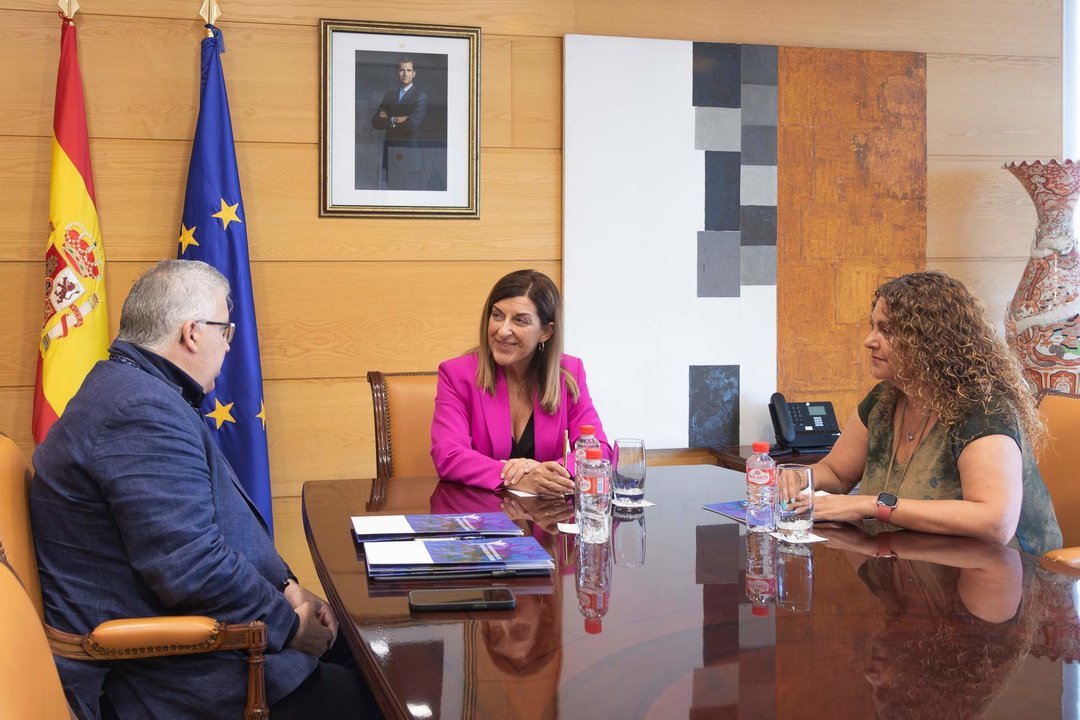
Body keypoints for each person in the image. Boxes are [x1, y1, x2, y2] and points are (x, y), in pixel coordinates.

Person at [30, 260, 379, 719]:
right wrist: (289, 627)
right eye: (226, 330)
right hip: (169, 673)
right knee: (389, 693)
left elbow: (223, 519)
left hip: (197, 636)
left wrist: (288, 588)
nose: (228, 345)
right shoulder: (140, 410)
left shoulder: (133, 386)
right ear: (193, 333)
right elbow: (190, 568)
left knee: (374, 649)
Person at [803, 271, 1061, 555]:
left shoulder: (983, 410)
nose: (869, 340)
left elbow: (995, 522)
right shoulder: (884, 400)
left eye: (886, 330)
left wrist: (872, 504)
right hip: (916, 567)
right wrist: (795, 479)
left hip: (1008, 577)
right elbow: (836, 473)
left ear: (931, 340)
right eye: (873, 326)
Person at [431, 269, 611, 496]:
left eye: (520, 320)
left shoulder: (568, 373)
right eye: (497, 315)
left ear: (546, 331)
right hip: (481, 515)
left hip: (547, 521)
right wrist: (520, 476)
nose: (503, 330)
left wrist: (550, 473)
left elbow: (600, 450)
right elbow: (448, 454)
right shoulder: (457, 374)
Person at [370, 58, 428, 140]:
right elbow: (375, 122)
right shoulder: (389, 96)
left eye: (409, 70)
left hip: (408, 146)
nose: (405, 74)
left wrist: (388, 120)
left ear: (413, 74)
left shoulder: (420, 97)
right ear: (397, 72)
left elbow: (411, 127)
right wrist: (395, 120)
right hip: (389, 145)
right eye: (402, 70)